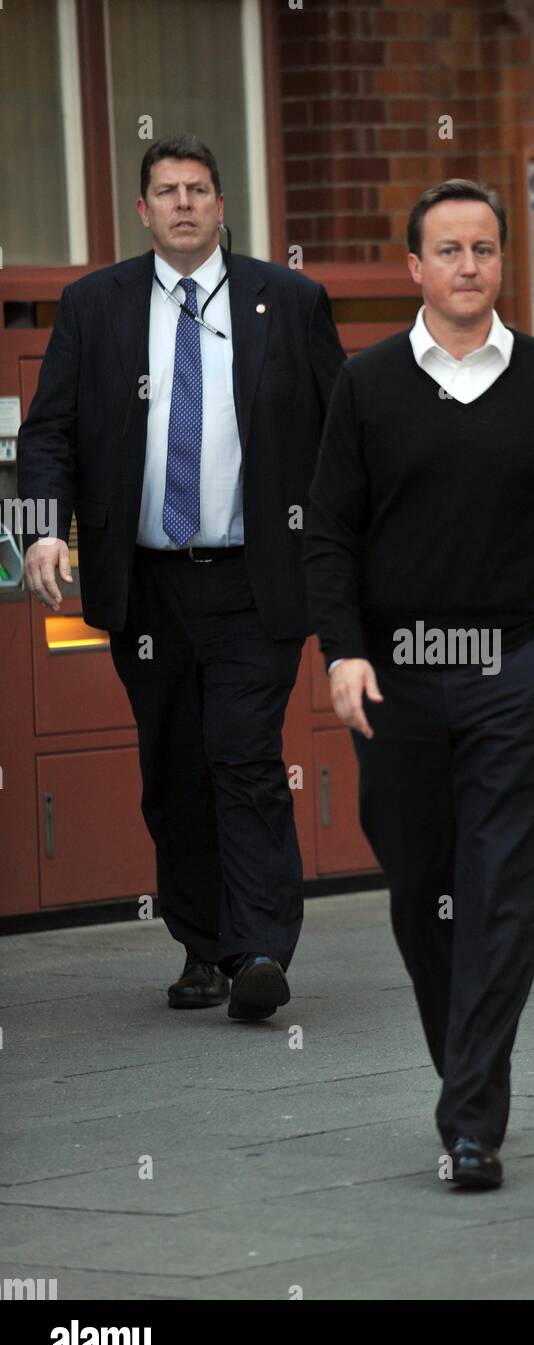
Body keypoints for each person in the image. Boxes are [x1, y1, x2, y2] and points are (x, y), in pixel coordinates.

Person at [304, 179, 534, 1188]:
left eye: (484, 248)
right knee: (420, 895)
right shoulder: (369, 383)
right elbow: (331, 535)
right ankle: (466, 1075)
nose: (468, 266)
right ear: (415, 267)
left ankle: (472, 1118)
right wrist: (344, 652)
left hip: (510, 674)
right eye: (448, 250)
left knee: (498, 896)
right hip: (398, 680)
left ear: (501, 263)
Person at [17, 135, 345, 1017]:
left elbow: (340, 437)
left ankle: (260, 951)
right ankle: (204, 946)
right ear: (142, 210)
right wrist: (44, 529)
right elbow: (47, 432)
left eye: (199, 189)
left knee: (242, 756)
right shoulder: (94, 306)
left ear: (223, 204)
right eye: (167, 192)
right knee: (174, 769)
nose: (184, 204)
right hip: (148, 583)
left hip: (255, 579)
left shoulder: (291, 300)